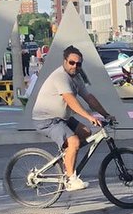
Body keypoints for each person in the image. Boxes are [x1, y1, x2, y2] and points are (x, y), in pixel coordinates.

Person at [30, 46, 113, 191]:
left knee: (86, 133)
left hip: (62, 118)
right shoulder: (61, 77)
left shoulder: (77, 77)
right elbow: (70, 100)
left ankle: (67, 157)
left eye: (78, 64)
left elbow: (88, 97)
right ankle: (70, 179)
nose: (75, 66)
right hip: (46, 119)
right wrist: (89, 116)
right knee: (74, 142)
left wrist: (105, 114)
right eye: (71, 62)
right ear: (65, 61)